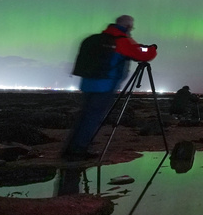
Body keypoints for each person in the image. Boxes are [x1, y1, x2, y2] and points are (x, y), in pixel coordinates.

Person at [63, 15, 157, 160]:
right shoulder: (121, 41)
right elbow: (141, 56)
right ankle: (78, 150)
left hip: (87, 84)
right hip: (105, 85)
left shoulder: (96, 39)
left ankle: (72, 148)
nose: (131, 29)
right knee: (92, 118)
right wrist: (152, 49)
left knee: (85, 116)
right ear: (127, 27)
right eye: (131, 27)